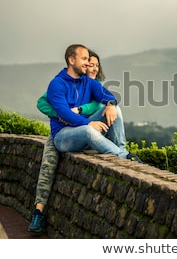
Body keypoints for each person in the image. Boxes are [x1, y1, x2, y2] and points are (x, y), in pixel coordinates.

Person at [27, 45, 142, 234]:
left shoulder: (89, 83)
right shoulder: (57, 84)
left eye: (91, 60)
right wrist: (87, 124)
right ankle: (38, 212)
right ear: (72, 60)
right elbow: (63, 112)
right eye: (85, 59)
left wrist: (112, 104)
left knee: (115, 111)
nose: (89, 63)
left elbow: (108, 97)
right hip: (63, 135)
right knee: (48, 168)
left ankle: (122, 153)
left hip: (82, 128)